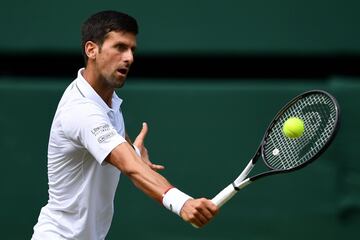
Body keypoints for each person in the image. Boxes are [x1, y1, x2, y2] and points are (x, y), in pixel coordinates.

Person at [31, 10, 218, 240]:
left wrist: (136, 154)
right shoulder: (80, 110)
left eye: (132, 49)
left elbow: (125, 154)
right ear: (91, 50)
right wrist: (182, 203)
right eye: (119, 47)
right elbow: (128, 165)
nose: (129, 57)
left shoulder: (106, 101)